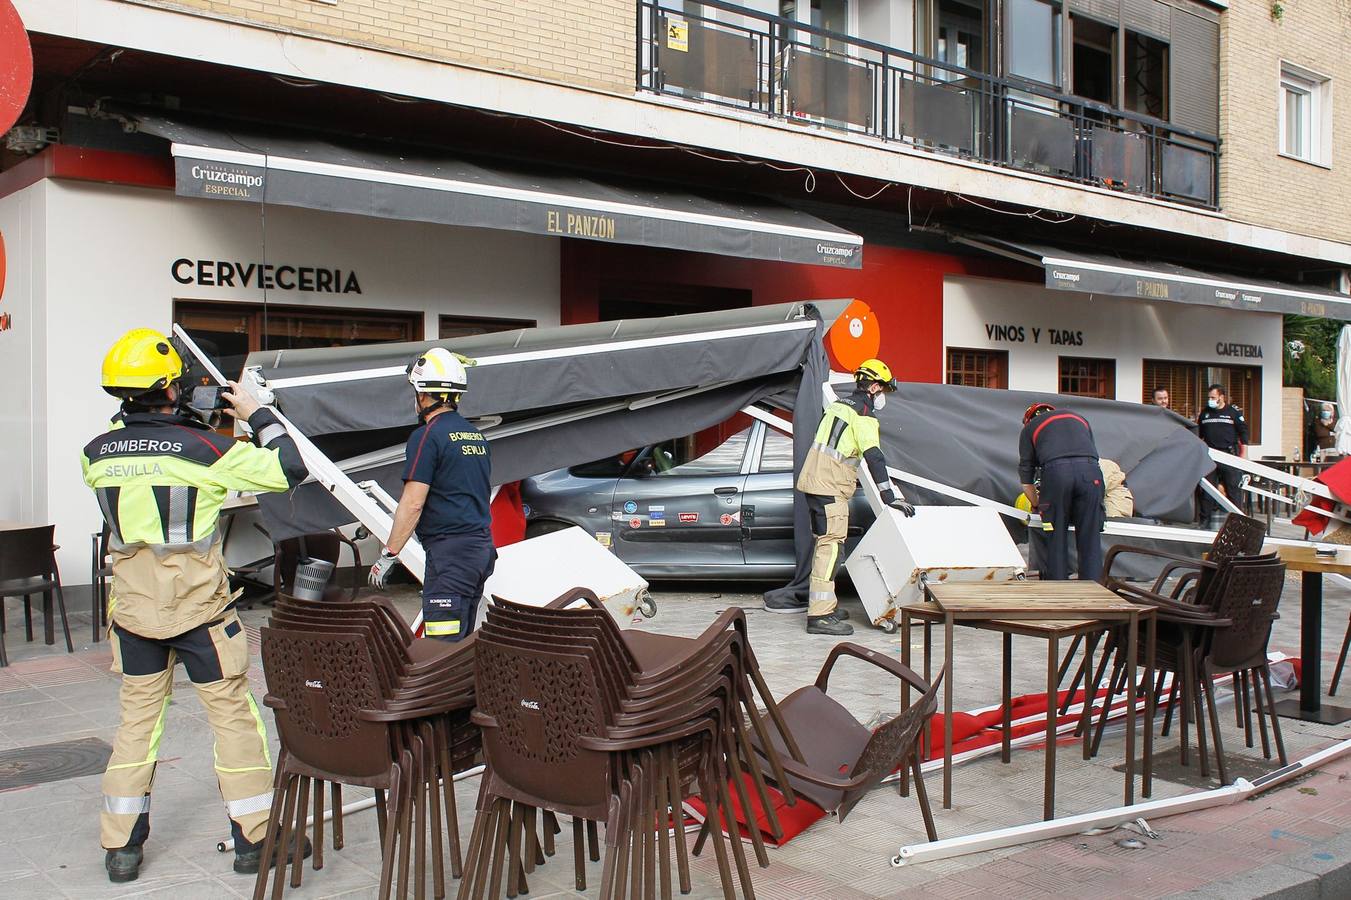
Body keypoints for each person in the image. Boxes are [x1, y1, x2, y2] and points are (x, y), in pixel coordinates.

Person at [83, 328, 309, 883]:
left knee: (137, 723)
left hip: (133, 615)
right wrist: (259, 414)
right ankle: (255, 840)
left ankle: (121, 849)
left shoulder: (95, 454)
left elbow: (131, 441)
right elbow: (288, 468)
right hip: (200, 615)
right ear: (170, 387)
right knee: (233, 718)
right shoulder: (206, 449)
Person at [767, 358, 914, 635]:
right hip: (830, 487)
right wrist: (889, 496)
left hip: (815, 482)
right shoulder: (863, 415)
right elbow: (874, 457)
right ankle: (819, 616)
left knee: (825, 546)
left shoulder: (838, 406)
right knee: (831, 548)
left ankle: (827, 605)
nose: (884, 396)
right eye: (883, 390)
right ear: (873, 387)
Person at [369, 347, 495, 642]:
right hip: (479, 550)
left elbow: (413, 503)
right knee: (462, 638)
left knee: (442, 645)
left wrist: (389, 554)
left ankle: (448, 689)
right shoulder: (475, 436)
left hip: (450, 556)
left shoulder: (428, 436)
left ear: (424, 395)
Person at [1019, 402, 1105, 580]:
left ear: (1028, 420)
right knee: (1090, 539)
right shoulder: (1079, 419)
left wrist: (1037, 504)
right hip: (1092, 474)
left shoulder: (1030, 429)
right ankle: (1094, 593)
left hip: (1057, 475)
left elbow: (1026, 479)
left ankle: (1059, 590)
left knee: (1056, 538)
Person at [1196, 383, 1248, 518]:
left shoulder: (1232, 413)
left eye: (1213, 397)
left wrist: (1243, 455)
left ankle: (1238, 521)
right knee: (1207, 491)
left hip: (1228, 455)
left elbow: (1243, 434)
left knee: (1233, 491)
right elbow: (1198, 435)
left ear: (1222, 397)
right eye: (1209, 397)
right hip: (1210, 457)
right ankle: (1204, 522)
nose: (1211, 400)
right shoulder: (1205, 413)